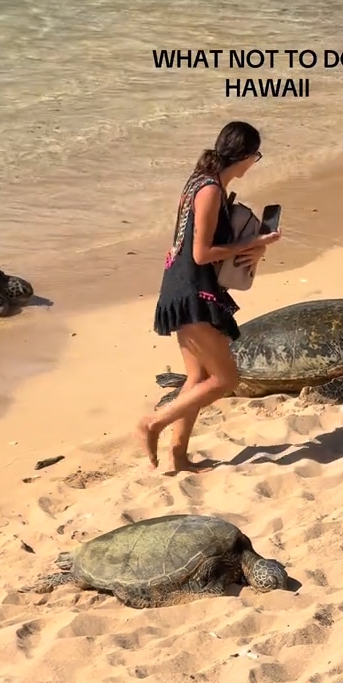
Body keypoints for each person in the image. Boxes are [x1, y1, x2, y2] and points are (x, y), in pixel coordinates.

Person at [138, 121, 281, 472]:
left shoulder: (199, 181)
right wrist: (254, 244)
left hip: (181, 284)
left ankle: (179, 456)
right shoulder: (210, 190)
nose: (254, 164)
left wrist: (252, 246)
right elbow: (201, 253)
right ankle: (153, 423)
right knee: (225, 380)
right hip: (191, 289)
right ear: (246, 156)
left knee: (198, 377)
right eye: (256, 157)